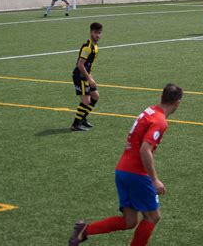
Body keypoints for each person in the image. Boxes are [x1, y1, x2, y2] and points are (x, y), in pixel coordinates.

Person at [68, 84, 183, 246]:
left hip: (122, 170)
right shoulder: (160, 121)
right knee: (152, 217)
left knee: (129, 221)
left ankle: (84, 230)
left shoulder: (149, 111)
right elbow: (145, 150)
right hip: (137, 173)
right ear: (178, 103)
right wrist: (155, 180)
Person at [71, 22, 102, 131]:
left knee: (95, 96)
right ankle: (75, 124)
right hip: (80, 76)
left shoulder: (96, 47)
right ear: (90, 33)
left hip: (86, 75)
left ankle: (82, 119)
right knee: (86, 101)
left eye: (99, 33)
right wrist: (88, 78)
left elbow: (88, 65)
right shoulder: (87, 48)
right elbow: (80, 65)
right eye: (95, 33)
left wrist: (91, 77)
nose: (97, 35)